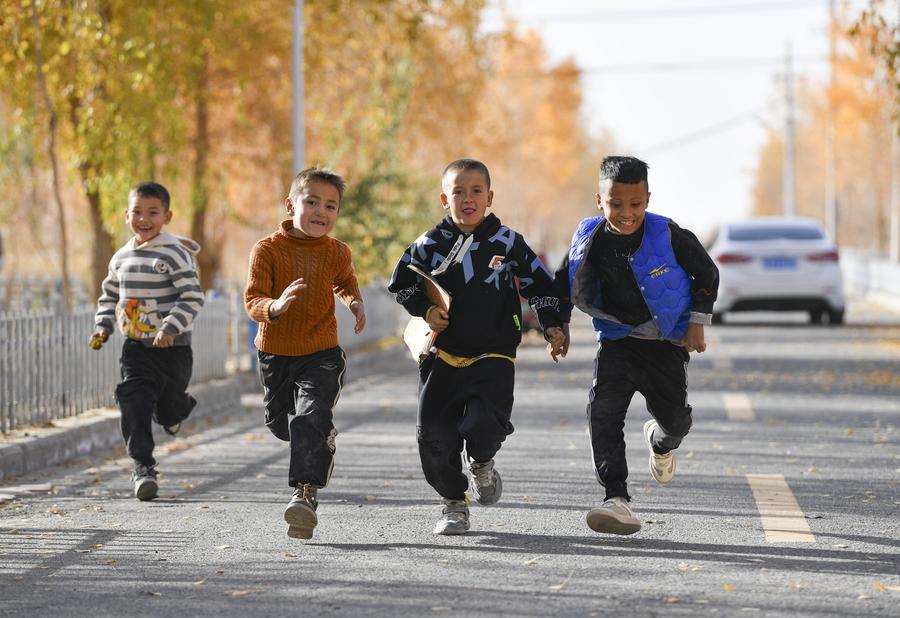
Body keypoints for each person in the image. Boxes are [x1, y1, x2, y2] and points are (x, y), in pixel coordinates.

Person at [388, 158, 566, 535]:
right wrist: (425, 309)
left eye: (475, 191)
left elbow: (540, 284)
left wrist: (551, 326)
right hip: (442, 356)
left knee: (486, 424)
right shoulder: (428, 244)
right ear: (443, 198)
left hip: (494, 354)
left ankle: (482, 461)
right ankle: (454, 503)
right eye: (458, 192)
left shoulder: (508, 242)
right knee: (434, 435)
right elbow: (400, 283)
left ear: (489, 197)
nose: (467, 199)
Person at [552, 155, 719, 535]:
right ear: (600, 200)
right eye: (615, 204)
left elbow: (707, 273)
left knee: (675, 420)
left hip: (664, 343)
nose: (625, 214)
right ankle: (616, 498)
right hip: (617, 341)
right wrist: (556, 326)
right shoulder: (588, 237)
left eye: (635, 204)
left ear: (647, 198)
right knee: (603, 414)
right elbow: (564, 282)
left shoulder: (668, 234)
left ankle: (661, 444)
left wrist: (697, 321)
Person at [244, 166, 366, 541]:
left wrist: (355, 302)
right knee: (283, 426)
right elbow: (252, 300)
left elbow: (344, 281)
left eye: (330, 206)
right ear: (291, 204)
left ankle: (304, 494)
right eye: (311, 202)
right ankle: (318, 435)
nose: (320, 212)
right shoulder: (267, 250)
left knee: (310, 416)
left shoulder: (337, 252)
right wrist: (275, 306)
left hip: (322, 351)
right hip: (276, 353)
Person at [90, 181, 205, 502]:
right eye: (137, 212)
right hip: (135, 347)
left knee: (169, 408)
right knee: (134, 400)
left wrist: (170, 328)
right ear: (126, 215)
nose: (144, 219)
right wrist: (103, 326)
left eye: (152, 212)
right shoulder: (120, 257)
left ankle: (175, 412)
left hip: (173, 348)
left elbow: (193, 296)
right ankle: (143, 467)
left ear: (166, 216)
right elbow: (109, 295)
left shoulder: (175, 252)